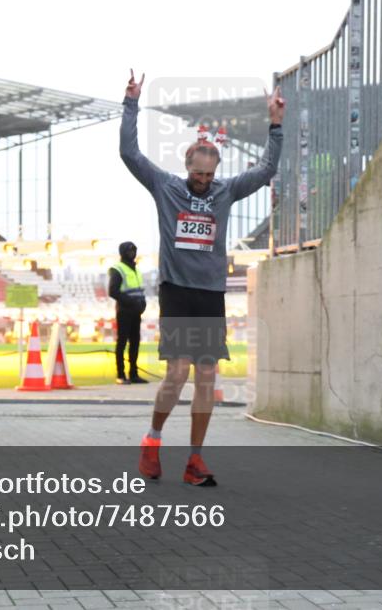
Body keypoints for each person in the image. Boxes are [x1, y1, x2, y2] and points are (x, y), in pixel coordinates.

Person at [120, 69, 284, 486]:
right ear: (187, 165)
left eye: (210, 176)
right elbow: (130, 154)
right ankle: (152, 441)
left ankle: (195, 459)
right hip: (177, 293)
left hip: (210, 296)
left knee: (207, 379)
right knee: (177, 375)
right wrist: (131, 103)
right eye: (198, 174)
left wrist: (276, 125)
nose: (204, 181)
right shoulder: (165, 187)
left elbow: (266, 170)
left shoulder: (225, 192)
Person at [109, 241, 148, 385]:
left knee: (135, 342)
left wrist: (142, 303)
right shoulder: (118, 269)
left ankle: (133, 374)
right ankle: (120, 374)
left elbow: (138, 290)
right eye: (129, 251)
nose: (132, 253)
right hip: (124, 311)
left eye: (134, 250)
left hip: (136, 311)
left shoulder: (136, 269)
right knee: (122, 342)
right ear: (123, 252)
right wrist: (132, 302)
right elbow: (113, 291)